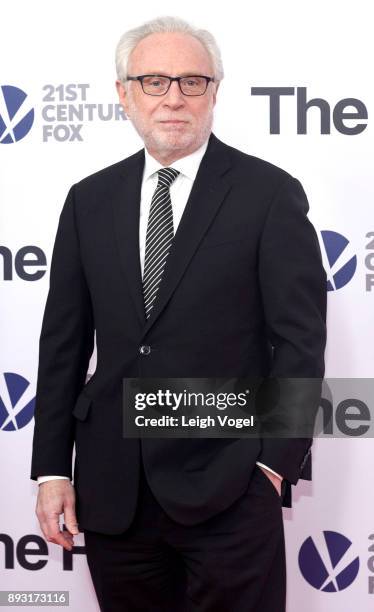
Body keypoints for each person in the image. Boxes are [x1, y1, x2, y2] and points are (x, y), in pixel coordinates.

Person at [30, 15, 327, 612]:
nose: (173, 97)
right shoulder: (89, 199)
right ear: (124, 93)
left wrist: (273, 467)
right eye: (154, 81)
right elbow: (63, 342)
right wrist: (51, 470)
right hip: (113, 491)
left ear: (214, 91)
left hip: (231, 484)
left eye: (192, 81)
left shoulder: (268, 193)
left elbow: (300, 343)